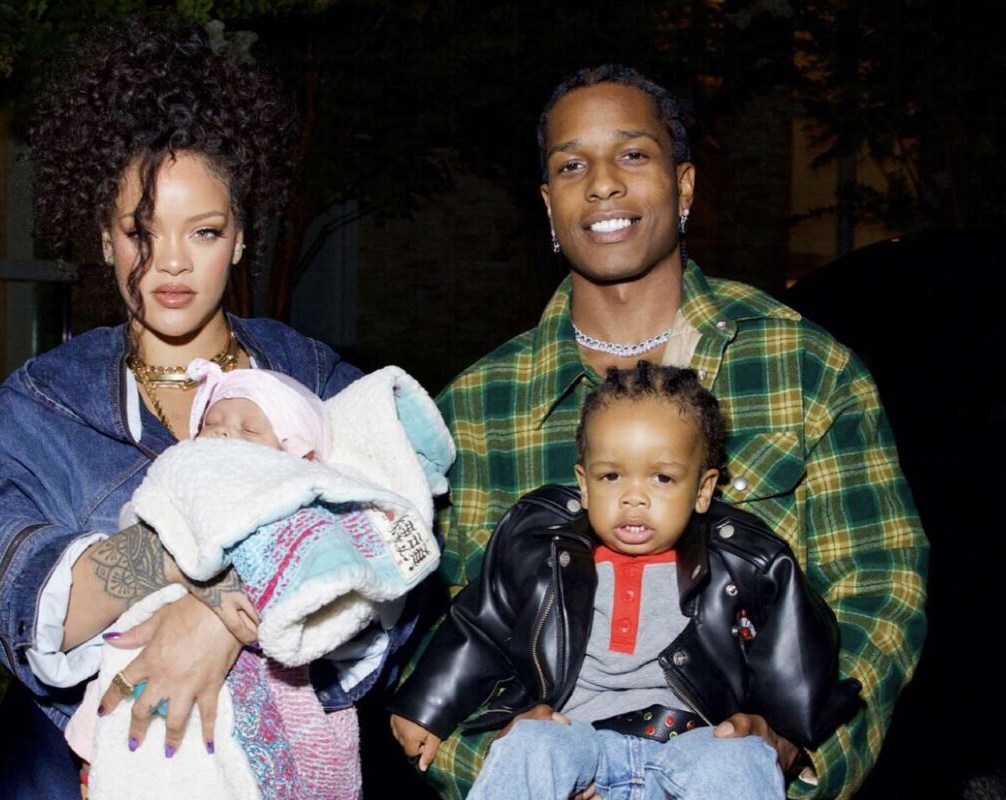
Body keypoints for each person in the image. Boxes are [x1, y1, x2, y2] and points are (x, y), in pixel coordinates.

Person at [0, 17, 409, 799]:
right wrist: (192, 562)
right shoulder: (50, 400)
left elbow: (398, 554)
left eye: (204, 231)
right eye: (141, 231)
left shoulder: (314, 378)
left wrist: (217, 624)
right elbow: (10, 583)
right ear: (105, 239)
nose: (172, 263)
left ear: (241, 238)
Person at [410, 64, 927, 799]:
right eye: (571, 165)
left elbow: (882, 584)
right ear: (549, 204)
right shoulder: (474, 408)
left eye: (632, 154)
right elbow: (427, 628)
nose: (602, 184)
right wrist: (503, 762)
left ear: (683, 187)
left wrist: (791, 743)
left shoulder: (805, 368)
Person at [389, 363, 862, 799]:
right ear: (584, 483)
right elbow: (481, 625)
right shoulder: (540, 545)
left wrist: (780, 732)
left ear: (702, 490)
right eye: (612, 475)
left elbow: (792, 656)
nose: (634, 497)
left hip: (695, 740)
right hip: (577, 736)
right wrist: (427, 706)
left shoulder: (747, 560)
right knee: (528, 743)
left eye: (662, 478)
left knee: (741, 761)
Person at [66, 361, 451, 799]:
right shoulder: (184, 477)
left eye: (249, 429)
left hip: (277, 680)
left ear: (299, 454)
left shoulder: (314, 500)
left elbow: (347, 583)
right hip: (149, 655)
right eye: (211, 423)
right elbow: (145, 518)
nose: (223, 433)